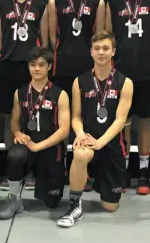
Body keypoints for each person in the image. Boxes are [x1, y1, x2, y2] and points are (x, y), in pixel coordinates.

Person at [57, 30, 133, 228]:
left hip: (111, 145)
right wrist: (81, 134)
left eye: (106, 48)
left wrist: (100, 142)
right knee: (80, 154)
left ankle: (104, 185)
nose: (101, 53)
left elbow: (120, 120)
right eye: (97, 49)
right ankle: (75, 205)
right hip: (88, 139)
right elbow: (76, 117)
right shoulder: (79, 82)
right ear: (91, 52)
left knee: (110, 207)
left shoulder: (125, 83)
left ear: (113, 51)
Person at [48, 0, 106, 192]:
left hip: (87, 69)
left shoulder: (97, 2)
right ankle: (60, 168)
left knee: (86, 119)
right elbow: (52, 37)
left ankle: (85, 170)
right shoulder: (55, 0)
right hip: (61, 67)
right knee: (61, 120)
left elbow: (100, 36)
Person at [106, 0, 150, 194]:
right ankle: (124, 172)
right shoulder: (114, 3)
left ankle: (143, 174)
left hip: (147, 73)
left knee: (145, 125)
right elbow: (107, 37)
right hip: (121, 74)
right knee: (123, 124)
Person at [0, 47, 70, 220]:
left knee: (52, 202)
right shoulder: (20, 92)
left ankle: (47, 185)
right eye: (32, 65)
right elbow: (14, 120)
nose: (36, 69)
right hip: (28, 144)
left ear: (49, 67)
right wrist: (17, 133)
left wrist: (40, 146)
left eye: (41, 65)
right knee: (14, 155)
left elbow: (64, 129)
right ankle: (14, 199)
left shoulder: (60, 94)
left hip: (51, 148)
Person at [0, 0, 49, 190]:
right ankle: (13, 170)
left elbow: (45, 38)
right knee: (10, 119)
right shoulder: (3, 4)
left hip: (32, 67)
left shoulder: (40, 5)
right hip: (9, 66)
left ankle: (33, 172)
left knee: (34, 117)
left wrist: (39, 63)